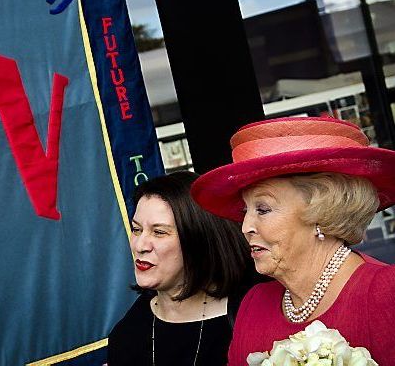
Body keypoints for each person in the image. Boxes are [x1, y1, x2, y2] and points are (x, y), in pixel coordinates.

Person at [191, 116, 395, 365]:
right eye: (246, 211)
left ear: (322, 211)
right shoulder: (254, 305)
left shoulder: (386, 294)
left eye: (263, 209)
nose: (245, 227)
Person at [108, 171, 255, 365]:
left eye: (159, 232)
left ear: (199, 238)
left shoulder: (253, 313)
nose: (140, 245)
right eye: (136, 229)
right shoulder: (126, 336)